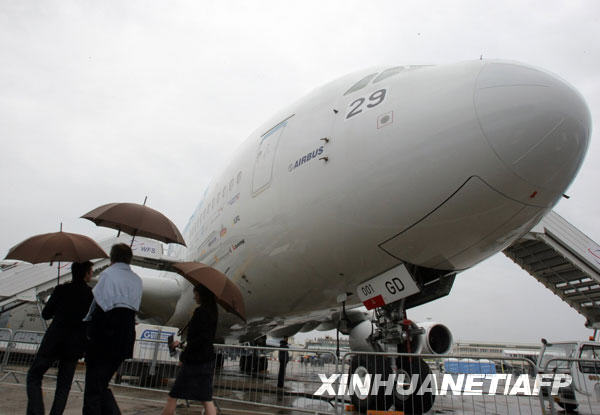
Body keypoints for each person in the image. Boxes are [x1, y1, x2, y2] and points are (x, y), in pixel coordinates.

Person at [26, 261, 94, 415]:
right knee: (63, 387)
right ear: (86, 274)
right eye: (90, 271)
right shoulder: (90, 295)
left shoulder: (61, 289)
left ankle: (36, 411)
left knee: (34, 376)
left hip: (54, 340)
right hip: (74, 346)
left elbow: (46, 314)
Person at [82, 243, 143, 415]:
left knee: (93, 390)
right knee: (101, 385)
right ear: (130, 259)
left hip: (104, 338)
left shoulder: (107, 275)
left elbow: (96, 306)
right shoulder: (137, 280)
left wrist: (86, 328)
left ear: (112, 257)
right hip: (124, 339)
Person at [162, 285, 218, 415]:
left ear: (202, 295)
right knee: (206, 399)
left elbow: (196, 340)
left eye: (196, 294)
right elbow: (204, 338)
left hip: (194, 361)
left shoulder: (200, 312)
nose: (194, 297)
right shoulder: (213, 312)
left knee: (173, 396)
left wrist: (183, 354)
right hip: (207, 359)